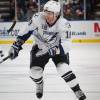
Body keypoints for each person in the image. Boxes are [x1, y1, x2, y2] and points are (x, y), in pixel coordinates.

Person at [8, 0, 86, 100]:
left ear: (57, 14)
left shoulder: (64, 24)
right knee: (34, 73)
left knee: (63, 68)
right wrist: (16, 45)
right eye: (45, 12)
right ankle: (40, 84)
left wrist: (56, 50)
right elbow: (26, 31)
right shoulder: (37, 17)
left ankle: (76, 89)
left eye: (49, 13)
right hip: (40, 47)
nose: (46, 15)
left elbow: (67, 43)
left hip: (57, 49)